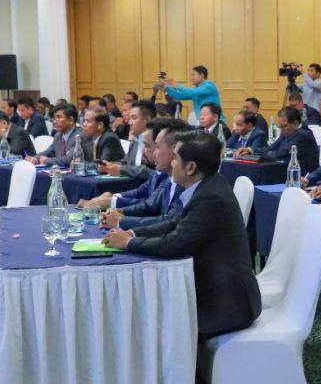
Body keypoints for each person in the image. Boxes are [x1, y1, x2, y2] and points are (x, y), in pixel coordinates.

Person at [104, 132, 261, 341]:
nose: (172, 162)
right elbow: (174, 224)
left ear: (190, 167)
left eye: (176, 158)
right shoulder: (208, 185)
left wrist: (128, 243)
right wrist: (132, 233)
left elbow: (174, 244)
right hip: (215, 288)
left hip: (227, 304)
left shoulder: (210, 197)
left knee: (152, 320)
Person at [84, 118, 186, 212]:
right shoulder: (162, 172)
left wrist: (111, 203)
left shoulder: (178, 180)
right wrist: (113, 197)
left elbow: (152, 207)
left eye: (148, 145)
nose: (143, 150)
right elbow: (142, 191)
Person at [99, 99, 155, 177]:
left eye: (134, 118)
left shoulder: (155, 142)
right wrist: (109, 165)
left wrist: (121, 169)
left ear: (147, 120)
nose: (129, 123)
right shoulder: (135, 141)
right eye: (130, 118)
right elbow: (126, 163)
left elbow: (153, 172)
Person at [260, 105, 319, 173]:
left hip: (304, 175)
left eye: (284, 126)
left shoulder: (303, 135)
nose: (281, 129)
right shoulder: (286, 132)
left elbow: (281, 153)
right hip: (288, 170)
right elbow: (271, 148)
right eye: (280, 126)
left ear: (295, 123)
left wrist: (268, 154)